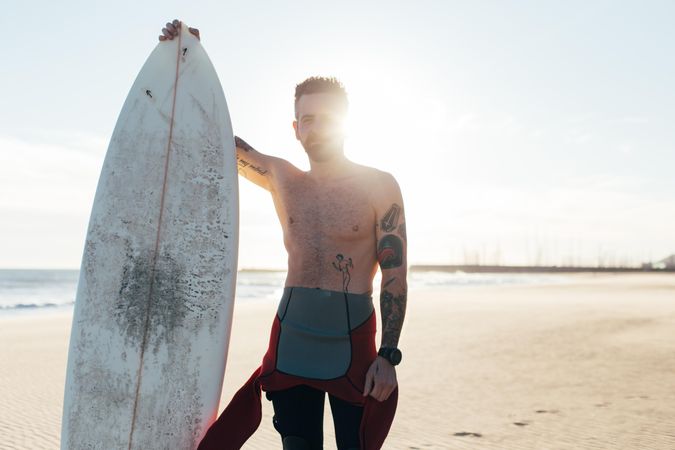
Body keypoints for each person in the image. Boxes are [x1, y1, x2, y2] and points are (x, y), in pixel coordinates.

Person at [159, 20, 408, 450]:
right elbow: (213, 140)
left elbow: (394, 277)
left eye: (327, 118)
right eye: (306, 120)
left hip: (353, 341)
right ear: (295, 128)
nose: (316, 128)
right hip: (291, 335)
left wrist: (388, 355)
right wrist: (187, 61)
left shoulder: (378, 186)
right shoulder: (280, 176)